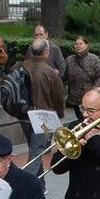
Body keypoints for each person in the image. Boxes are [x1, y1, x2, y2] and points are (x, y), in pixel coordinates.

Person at [25, 40, 65, 172]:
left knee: (35, 151)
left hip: (23, 113)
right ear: (46, 52)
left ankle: (40, 186)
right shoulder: (50, 72)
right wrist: (59, 115)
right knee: (36, 153)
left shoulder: (22, 66)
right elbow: (58, 97)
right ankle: (27, 188)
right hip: (43, 115)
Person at [63, 36, 100, 111]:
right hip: (75, 98)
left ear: (86, 45)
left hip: (90, 98)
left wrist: (92, 91)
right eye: (76, 44)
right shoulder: (69, 60)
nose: (78, 46)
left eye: (81, 43)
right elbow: (63, 77)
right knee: (80, 118)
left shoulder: (94, 59)